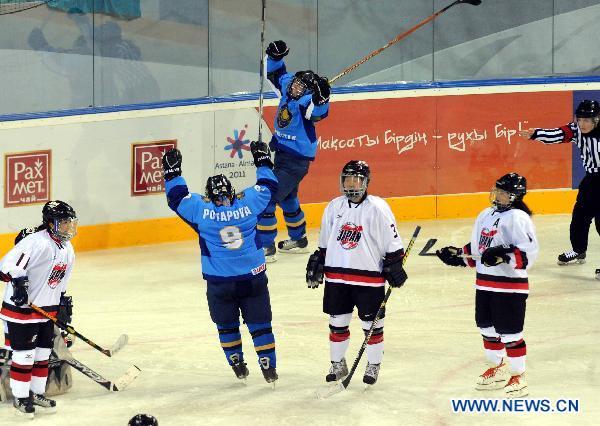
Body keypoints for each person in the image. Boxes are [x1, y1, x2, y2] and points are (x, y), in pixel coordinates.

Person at [162, 142, 279, 384]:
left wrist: (172, 173)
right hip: (253, 278)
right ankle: (268, 366)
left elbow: (177, 199)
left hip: (220, 283)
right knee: (260, 324)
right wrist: (263, 161)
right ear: (232, 192)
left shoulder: (201, 212)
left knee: (226, 326)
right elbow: (269, 187)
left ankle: (237, 363)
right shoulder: (248, 205)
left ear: (209, 195)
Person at [305, 160, 408, 386]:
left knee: (371, 326)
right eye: (347, 179)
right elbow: (324, 243)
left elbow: (393, 244)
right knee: (337, 323)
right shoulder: (334, 206)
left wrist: (394, 264)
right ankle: (337, 362)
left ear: (366, 182)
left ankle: (373, 364)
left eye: (356, 179)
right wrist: (319, 260)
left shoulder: (378, 208)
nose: (351, 185)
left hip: (368, 279)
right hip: (337, 278)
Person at [436, 173, 538, 398]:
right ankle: (498, 367)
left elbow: (529, 254)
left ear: (514, 195)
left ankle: (519, 375)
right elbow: (480, 249)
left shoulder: (519, 218)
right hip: (484, 284)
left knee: (510, 333)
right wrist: (458, 255)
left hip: (509, 287)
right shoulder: (486, 214)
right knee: (486, 327)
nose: (498, 195)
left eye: (503, 192)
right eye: (497, 190)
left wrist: (504, 257)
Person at [0, 201, 77, 417]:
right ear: (50, 223)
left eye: (69, 223)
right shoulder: (35, 242)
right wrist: (19, 283)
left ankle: (36, 393)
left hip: (46, 310)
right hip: (22, 311)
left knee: (42, 355)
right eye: (63, 223)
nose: (67, 227)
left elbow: (62, 281)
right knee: (24, 356)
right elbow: (5, 266)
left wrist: (62, 302)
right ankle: (21, 397)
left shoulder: (67, 249)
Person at [258, 40, 331, 262]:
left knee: (267, 198)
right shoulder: (289, 84)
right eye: (296, 84)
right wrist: (275, 57)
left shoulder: (306, 101)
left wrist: (323, 97)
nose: (295, 88)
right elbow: (274, 74)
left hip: (295, 161)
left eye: (301, 87)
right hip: (281, 154)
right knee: (288, 197)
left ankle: (266, 247)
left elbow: (317, 112)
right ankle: (299, 240)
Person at [519, 99, 600, 277]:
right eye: (580, 119)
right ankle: (579, 249)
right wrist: (536, 134)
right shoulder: (577, 129)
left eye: (587, 120)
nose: (582, 124)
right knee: (579, 218)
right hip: (591, 181)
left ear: (597, 120)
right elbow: (559, 134)